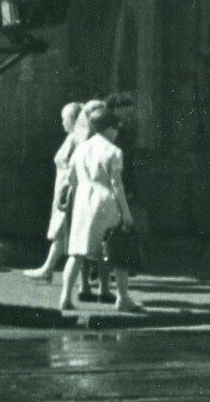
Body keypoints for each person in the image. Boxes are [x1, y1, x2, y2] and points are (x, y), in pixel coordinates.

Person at [59, 102, 144, 315]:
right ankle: (123, 298)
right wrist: (126, 213)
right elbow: (117, 184)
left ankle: (65, 297)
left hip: (82, 200)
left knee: (77, 253)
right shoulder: (113, 151)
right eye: (115, 128)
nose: (116, 132)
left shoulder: (81, 148)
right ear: (108, 128)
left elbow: (71, 178)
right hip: (105, 199)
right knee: (116, 249)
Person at [24, 102, 89, 280]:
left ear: (75, 119)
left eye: (65, 119)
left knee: (64, 231)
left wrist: (68, 190)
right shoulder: (73, 138)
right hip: (63, 191)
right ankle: (52, 270)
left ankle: (49, 269)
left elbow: (73, 167)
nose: (62, 123)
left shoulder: (77, 139)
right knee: (64, 232)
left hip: (68, 192)